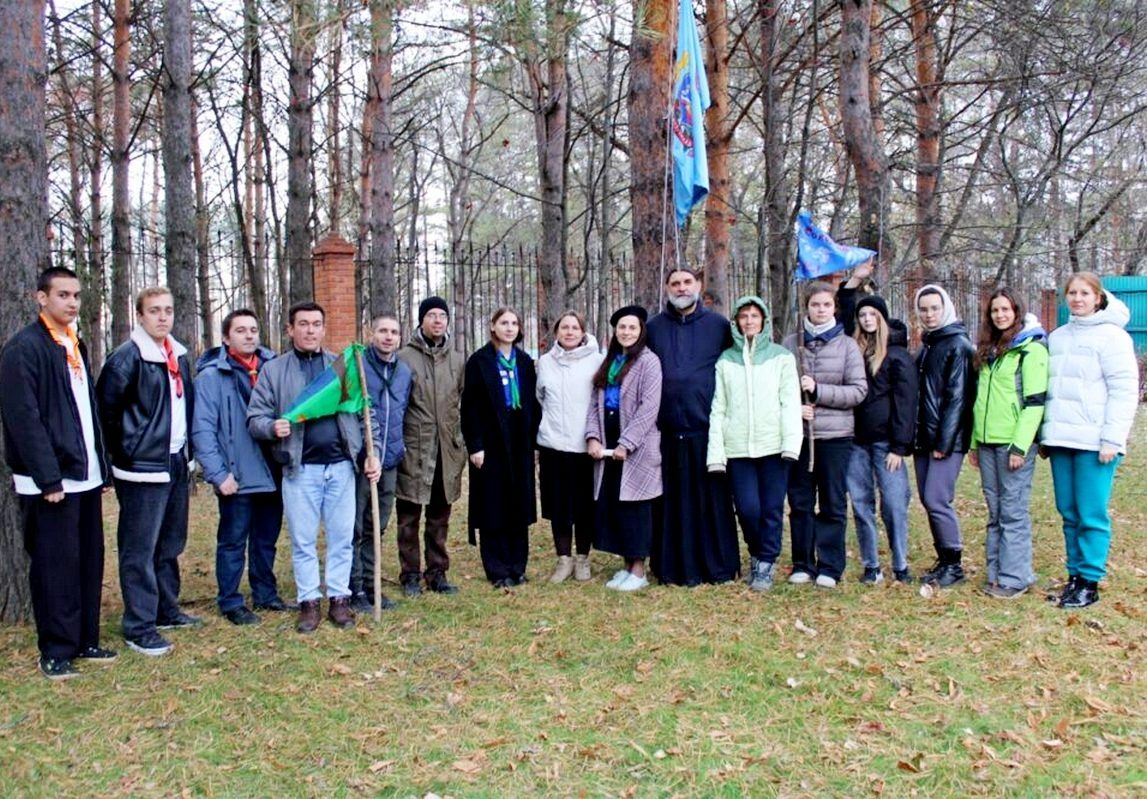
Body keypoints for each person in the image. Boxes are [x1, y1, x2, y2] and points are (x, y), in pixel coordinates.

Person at [0, 267, 115, 679]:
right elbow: (23, 419)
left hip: (83, 475)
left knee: (87, 561)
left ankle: (85, 638)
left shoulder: (73, 344)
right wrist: (48, 477)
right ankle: (55, 649)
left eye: (77, 295)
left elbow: (87, 413)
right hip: (49, 482)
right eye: (63, 294)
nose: (71, 302)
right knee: (54, 566)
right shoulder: (23, 349)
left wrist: (100, 468)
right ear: (41, 298)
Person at [246, 301, 382, 633]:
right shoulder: (275, 371)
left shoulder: (342, 368)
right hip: (300, 469)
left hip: (341, 468)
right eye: (303, 324)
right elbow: (255, 418)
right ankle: (308, 602)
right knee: (303, 540)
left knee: (342, 537)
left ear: (324, 328)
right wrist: (271, 427)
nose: (310, 330)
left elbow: (368, 418)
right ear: (290, 329)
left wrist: (372, 452)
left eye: (316, 324)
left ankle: (339, 599)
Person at [97, 287, 197, 656]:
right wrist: (124, 454)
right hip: (141, 467)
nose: (162, 317)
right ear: (140, 316)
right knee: (139, 548)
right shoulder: (127, 358)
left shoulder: (179, 355)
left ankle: (165, 609)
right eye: (154, 311)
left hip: (174, 461)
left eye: (168, 310)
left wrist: (188, 454)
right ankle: (138, 625)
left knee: (171, 542)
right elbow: (106, 411)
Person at [1041, 273, 1137, 609]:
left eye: (1084, 293)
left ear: (1098, 298)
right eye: (1072, 293)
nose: (1077, 299)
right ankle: (1073, 576)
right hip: (1061, 439)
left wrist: (1113, 437)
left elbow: (1124, 391)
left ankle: (1090, 580)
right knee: (1068, 511)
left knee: (1091, 513)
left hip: (1095, 441)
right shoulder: (1058, 337)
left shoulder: (1113, 338)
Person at [192, 309, 291, 626]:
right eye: (241, 330)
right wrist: (219, 474)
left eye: (253, 329)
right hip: (236, 473)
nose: (249, 335)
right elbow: (203, 430)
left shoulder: (272, 369)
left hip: (271, 467)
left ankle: (265, 593)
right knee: (233, 539)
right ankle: (231, 600)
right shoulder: (211, 376)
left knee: (266, 538)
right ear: (225, 338)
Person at [646, 268, 738, 586]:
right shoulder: (654, 327)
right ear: (667, 288)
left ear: (698, 286)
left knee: (711, 503)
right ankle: (672, 567)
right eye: (675, 283)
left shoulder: (719, 326)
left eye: (687, 282)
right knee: (672, 504)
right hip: (667, 430)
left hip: (707, 430)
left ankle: (718, 567)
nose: (682, 288)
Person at [707, 296, 802, 592]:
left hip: (773, 447)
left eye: (755, 316)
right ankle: (756, 552)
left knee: (771, 507)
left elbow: (790, 402)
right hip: (738, 449)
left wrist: (791, 444)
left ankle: (767, 562)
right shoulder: (725, 360)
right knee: (748, 509)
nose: (749, 321)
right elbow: (719, 407)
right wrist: (716, 454)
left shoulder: (780, 357)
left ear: (763, 320)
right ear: (736, 321)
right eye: (744, 316)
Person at [784, 282, 868, 588]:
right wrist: (796, 406)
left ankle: (830, 566)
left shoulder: (847, 346)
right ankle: (802, 562)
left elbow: (858, 391)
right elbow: (779, 388)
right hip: (801, 437)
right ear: (806, 307)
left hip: (835, 437)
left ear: (834, 308)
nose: (820, 310)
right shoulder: (793, 343)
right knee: (801, 502)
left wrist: (819, 392)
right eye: (815, 304)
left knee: (832, 503)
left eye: (826, 305)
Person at [968, 289, 1048, 599]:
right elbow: (981, 401)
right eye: (994, 311)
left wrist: (1019, 446)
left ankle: (1016, 577)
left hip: (1013, 444)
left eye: (1005, 309)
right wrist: (975, 442)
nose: (1000, 315)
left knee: (1013, 512)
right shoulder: (990, 350)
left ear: (1016, 310)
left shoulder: (1030, 349)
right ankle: (996, 574)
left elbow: (1035, 402)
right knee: (995, 511)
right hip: (987, 442)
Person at [461, 308, 541, 587]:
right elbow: (469, 407)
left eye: (514, 323)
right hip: (491, 442)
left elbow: (534, 403)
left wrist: (532, 441)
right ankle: (497, 570)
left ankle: (517, 566)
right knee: (493, 504)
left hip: (519, 442)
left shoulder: (525, 362)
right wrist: (476, 445)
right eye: (503, 323)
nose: (509, 328)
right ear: (493, 326)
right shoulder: (479, 361)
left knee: (518, 504)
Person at [586, 306, 662, 592]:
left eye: (632, 327)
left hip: (637, 448)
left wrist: (627, 443)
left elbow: (649, 407)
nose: (626, 332)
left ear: (641, 331)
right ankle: (626, 566)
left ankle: (639, 570)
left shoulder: (649, 362)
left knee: (636, 508)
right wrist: (593, 437)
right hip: (608, 448)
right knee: (616, 505)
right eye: (622, 327)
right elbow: (595, 404)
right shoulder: (610, 361)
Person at [394, 297, 466, 596]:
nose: (437, 320)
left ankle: (437, 572)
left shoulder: (458, 359)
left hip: (446, 447)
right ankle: (410, 573)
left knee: (439, 516)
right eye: (431, 315)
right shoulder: (403, 358)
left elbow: (465, 401)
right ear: (421, 320)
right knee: (409, 515)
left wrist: (459, 440)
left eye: (442, 316)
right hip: (415, 446)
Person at [847, 295, 917, 585]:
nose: (866, 319)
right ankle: (871, 565)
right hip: (856, 442)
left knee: (894, 503)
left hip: (887, 445)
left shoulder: (897, 355)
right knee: (861, 503)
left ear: (882, 318)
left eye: (872, 314)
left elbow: (906, 402)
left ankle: (900, 563)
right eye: (862, 314)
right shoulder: (854, 352)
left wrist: (900, 446)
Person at [913, 284, 976, 588]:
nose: (929, 314)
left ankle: (955, 565)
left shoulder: (957, 344)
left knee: (937, 498)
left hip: (945, 439)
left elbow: (957, 398)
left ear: (945, 308)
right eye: (923, 309)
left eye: (934, 308)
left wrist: (944, 442)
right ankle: (943, 558)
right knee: (927, 498)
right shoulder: (927, 345)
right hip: (924, 437)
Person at [351, 315, 413, 613]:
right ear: (371, 333)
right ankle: (354, 588)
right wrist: (364, 454)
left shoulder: (403, 372)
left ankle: (371, 582)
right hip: (362, 462)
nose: (389, 337)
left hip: (389, 461)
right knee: (355, 527)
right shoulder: (359, 366)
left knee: (377, 525)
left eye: (394, 332)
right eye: (383, 331)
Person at [536, 311, 603, 582]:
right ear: (557, 332)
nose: (570, 332)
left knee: (584, 507)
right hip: (553, 445)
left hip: (585, 446)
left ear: (583, 332)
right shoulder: (544, 363)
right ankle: (563, 559)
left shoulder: (597, 361)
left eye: (575, 327)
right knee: (559, 507)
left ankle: (583, 559)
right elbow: (540, 397)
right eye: (565, 327)